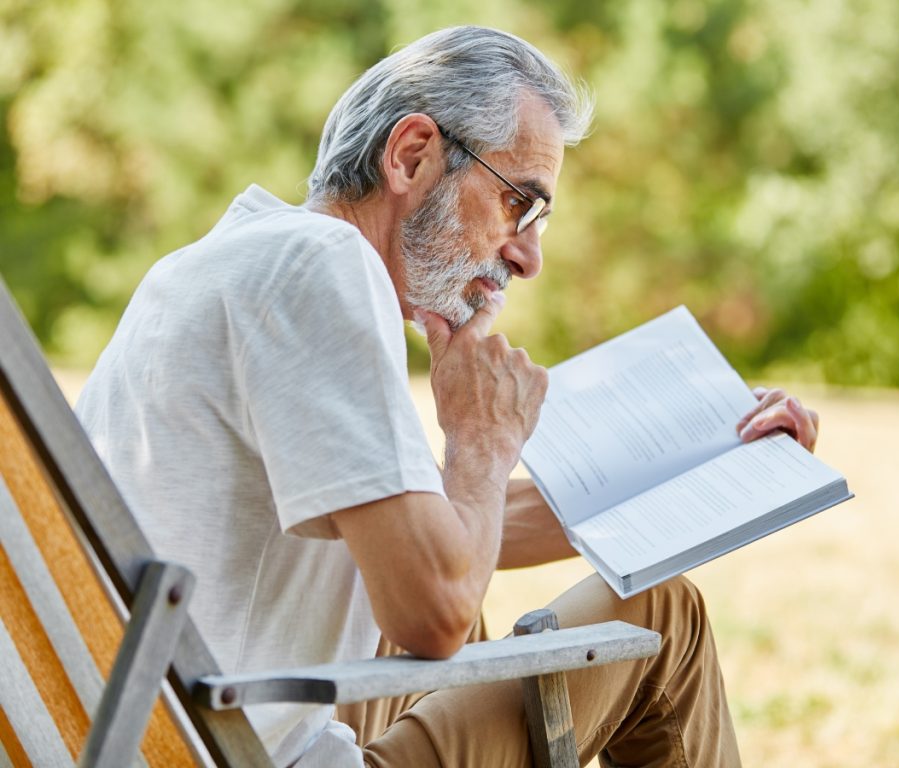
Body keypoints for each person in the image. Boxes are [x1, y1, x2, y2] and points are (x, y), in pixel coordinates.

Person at [76, 25, 820, 767]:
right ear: (411, 156)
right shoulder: (324, 268)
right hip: (228, 746)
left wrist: (707, 461)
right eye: (519, 205)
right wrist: (484, 439)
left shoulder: (235, 260)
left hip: (156, 721)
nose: (529, 257)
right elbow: (431, 609)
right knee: (662, 615)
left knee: (473, 598)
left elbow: (433, 527)